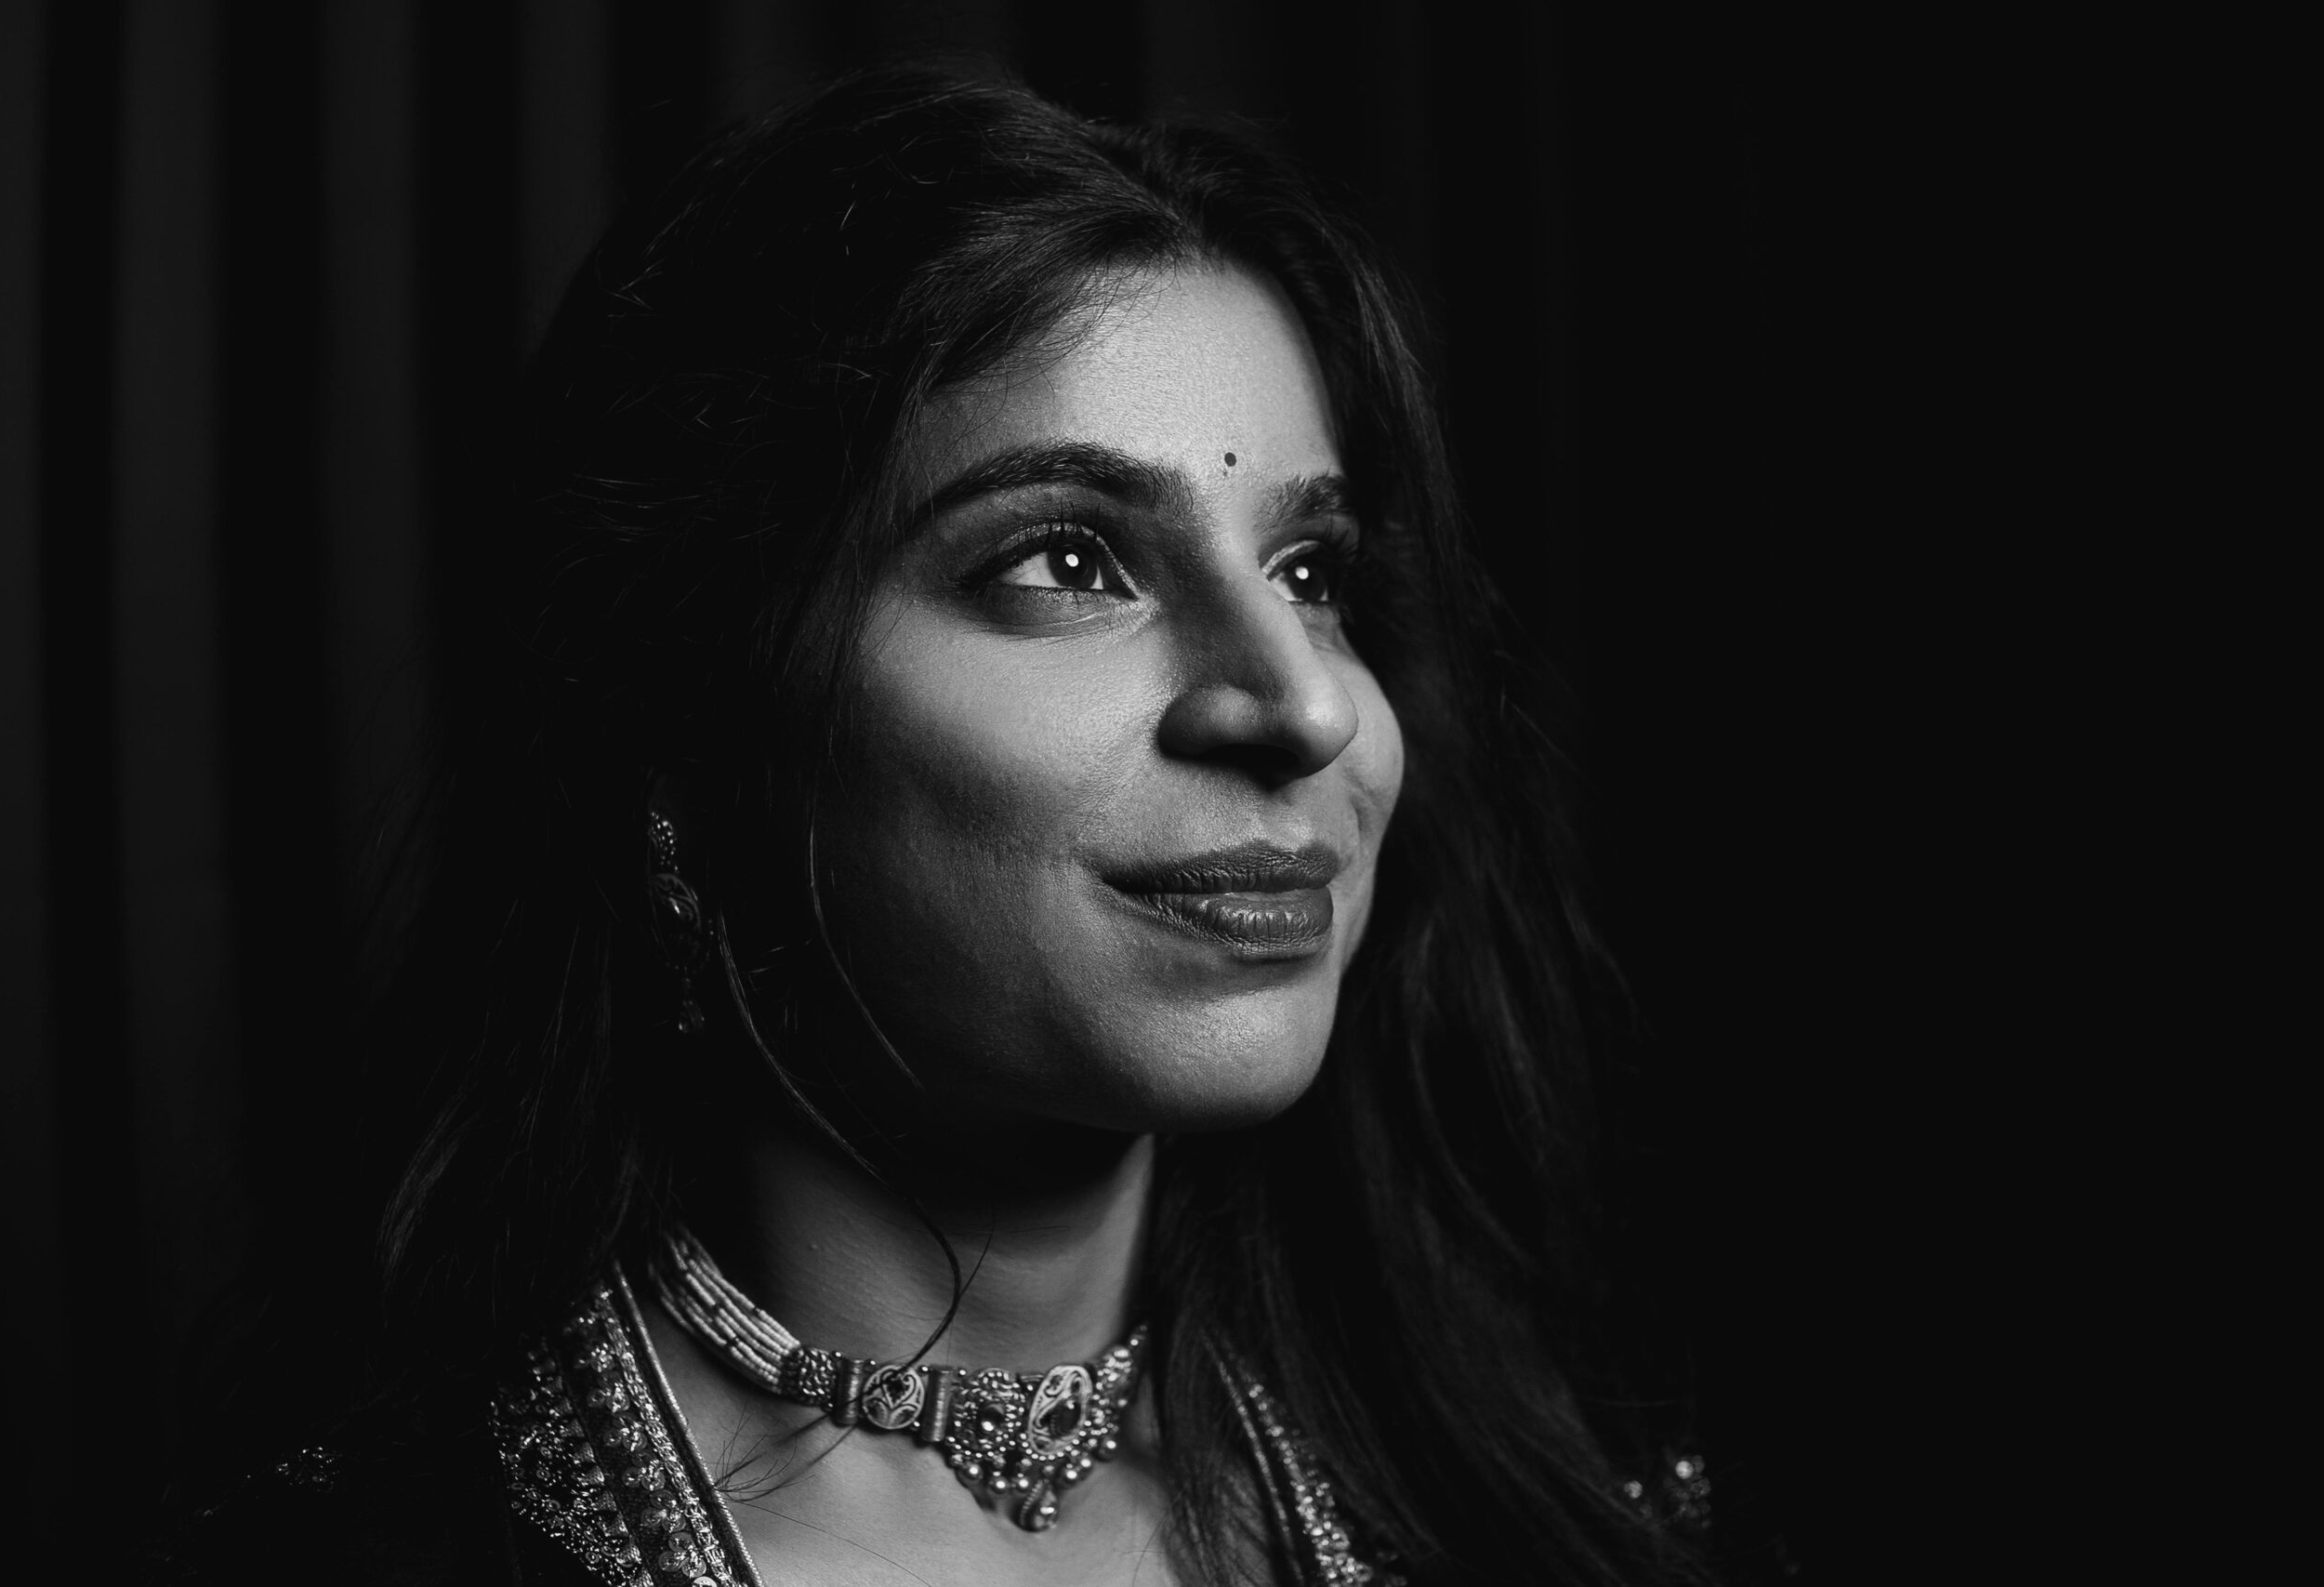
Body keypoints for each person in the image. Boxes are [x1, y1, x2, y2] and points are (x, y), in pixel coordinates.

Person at [156, 66, 1711, 1587]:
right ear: (696, 739)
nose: (1300, 705)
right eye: (1065, 562)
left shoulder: (1539, 1507)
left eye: (1310, 570)